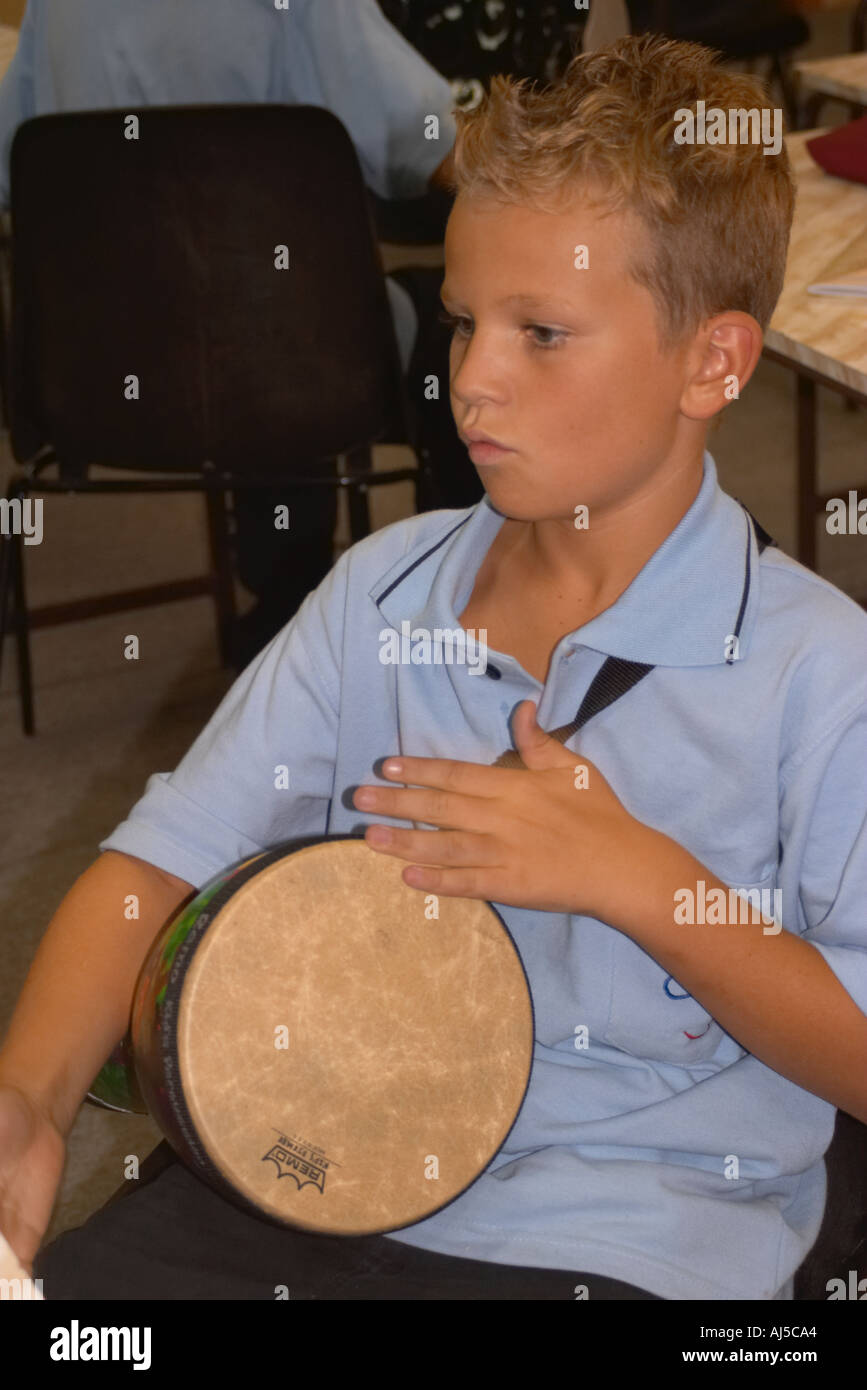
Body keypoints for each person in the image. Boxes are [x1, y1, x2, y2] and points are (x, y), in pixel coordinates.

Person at [2, 33, 867, 1301]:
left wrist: (643, 883)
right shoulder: (381, 594)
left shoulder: (818, 671)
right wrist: (28, 1099)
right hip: (317, 1172)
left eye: (543, 333)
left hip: (627, 1225)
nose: (473, 381)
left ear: (715, 362)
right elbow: (155, 867)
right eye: (466, 323)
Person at [0, 0, 465, 666]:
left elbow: (11, 162)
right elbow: (418, 134)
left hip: (92, 384)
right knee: (451, 323)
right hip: (283, 362)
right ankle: (459, 621)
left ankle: (283, 602)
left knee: (257, 309)